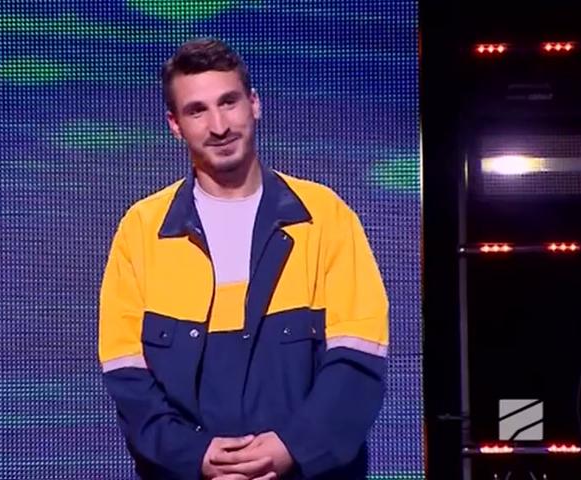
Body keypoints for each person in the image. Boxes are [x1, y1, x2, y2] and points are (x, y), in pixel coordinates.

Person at [98, 38, 389, 480]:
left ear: (254, 104)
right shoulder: (142, 231)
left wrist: (293, 447)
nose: (219, 126)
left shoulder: (324, 217)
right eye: (197, 111)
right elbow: (128, 374)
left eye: (228, 102)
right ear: (175, 125)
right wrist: (195, 455)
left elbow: (358, 358)